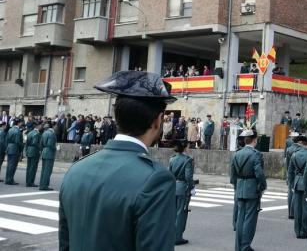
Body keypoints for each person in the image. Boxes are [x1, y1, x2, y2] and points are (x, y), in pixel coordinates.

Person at [59, 71, 177, 250]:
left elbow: (66, 244)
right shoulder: (155, 179)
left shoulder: (76, 169)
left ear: (117, 119)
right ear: (158, 120)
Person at [230, 128, 267, 251]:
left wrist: (237, 185)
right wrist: (262, 186)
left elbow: (232, 176)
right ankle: (245, 246)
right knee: (250, 219)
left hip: (240, 188)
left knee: (240, 218)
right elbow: (259, 174)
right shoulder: (256, 154)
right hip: (251, 189)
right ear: (254, 140)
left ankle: (238, 246)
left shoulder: (237, 154)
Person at [169, 138, 195, 245]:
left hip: (173, 187)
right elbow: (188, 177)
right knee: (181, 213)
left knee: (173, 213)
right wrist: (191, 187)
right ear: (185, 147)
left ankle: (171, 236)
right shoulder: (188, 160)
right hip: (182, 188)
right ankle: (178, 237)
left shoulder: (172, 159)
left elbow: (169, 174)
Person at [287, 135, 307, 239]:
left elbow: (290, 172)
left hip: (297, 182)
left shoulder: (295, 155)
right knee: (306, 208)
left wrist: (292, 184)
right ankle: (304, 230)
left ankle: (297, 230)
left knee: (297, 208)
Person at [284, 131, 300, 220]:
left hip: (290, 172)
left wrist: (287, 173)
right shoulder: (299, 150)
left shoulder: (289, 149)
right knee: (295, 193)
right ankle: (293, 212)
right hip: (297, 173)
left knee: (290, 192)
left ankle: (290, 212)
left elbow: (286, 163)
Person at [4, 119, 24, 185]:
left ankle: (8, 179)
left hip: (9, 148)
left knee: (9, 165)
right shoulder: (18, 131)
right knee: (12, 166)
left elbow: (6, 139)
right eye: (21, 123)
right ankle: (10, 180)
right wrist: (21, 148)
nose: (22, 124)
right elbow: (18, 142)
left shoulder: (10, 129)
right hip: (15, 149)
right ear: (19, 123)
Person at [39, 122, 56, 191]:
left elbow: (41, 144)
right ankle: (44, 185)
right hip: (49, 153)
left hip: (44, 152)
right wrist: (55, 148)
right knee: (47, 170)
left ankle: (42, 184)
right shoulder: (51, 134)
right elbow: (50, 144)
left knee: (43, 170)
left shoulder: (44, 133)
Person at [24, 123, 41, 187]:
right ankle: (30, 182)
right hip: (34, 151)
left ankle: (28, 181)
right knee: (33, 168)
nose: (41, 126)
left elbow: (27, 143)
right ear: (37, 126)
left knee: (29, 167)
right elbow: (35, 143)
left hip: (29, 150)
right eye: (40, 125)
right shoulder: (37, 134)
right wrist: (40, 148)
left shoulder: (30, 133)